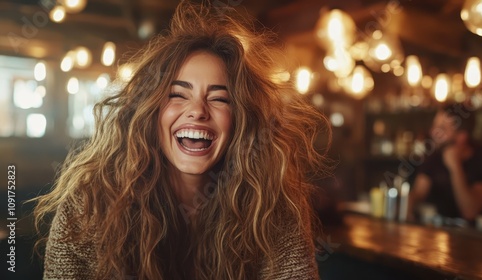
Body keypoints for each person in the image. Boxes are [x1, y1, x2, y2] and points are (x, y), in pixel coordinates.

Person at [33, 1, 331, 279]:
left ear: (241, 120)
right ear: (149, 111)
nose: (198, 111)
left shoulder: (271, 205)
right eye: (177, 95)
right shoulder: (90, 206)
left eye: (219, 99)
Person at [408, 102, 482, 224]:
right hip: (438, 234)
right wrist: (408, 205)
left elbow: (470, 212)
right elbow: (418, 192)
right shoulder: (434, 158)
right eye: (435, 126)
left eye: (442, 129)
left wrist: (455, 166)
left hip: (475, 238)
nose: (433, 132)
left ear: (462, 136)